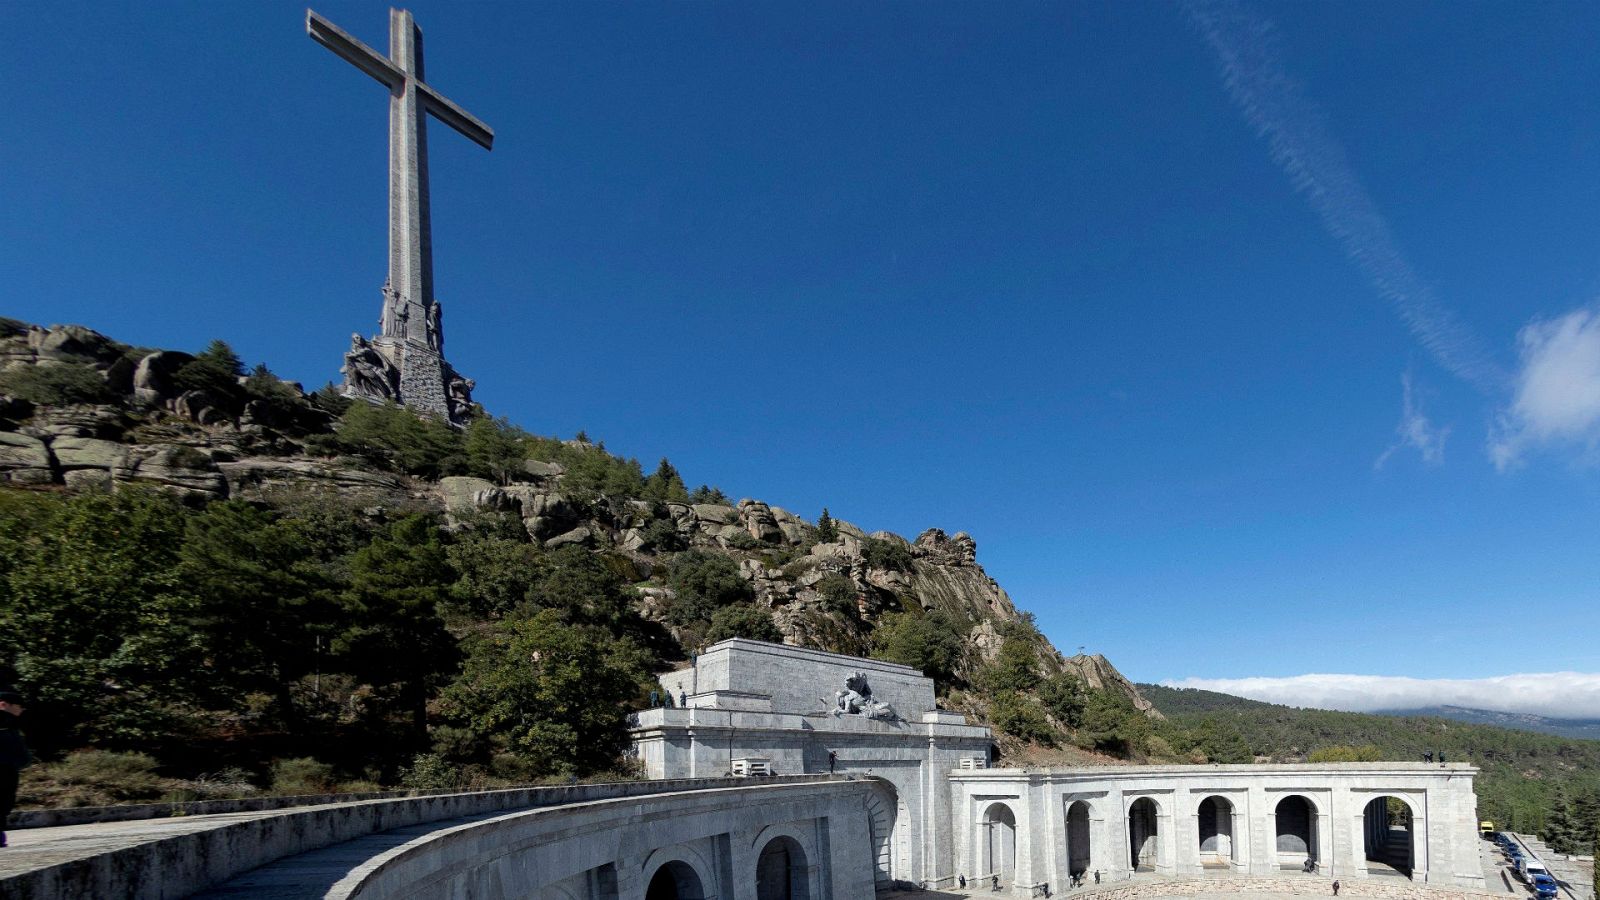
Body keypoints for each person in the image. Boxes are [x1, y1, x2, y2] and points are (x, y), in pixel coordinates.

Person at [0, 691, 29, 849]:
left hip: (9, 770)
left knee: (5, 803)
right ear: (4, 704)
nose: (21, 710)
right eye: (19, 706)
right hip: (3, 769)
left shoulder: (9, 723)